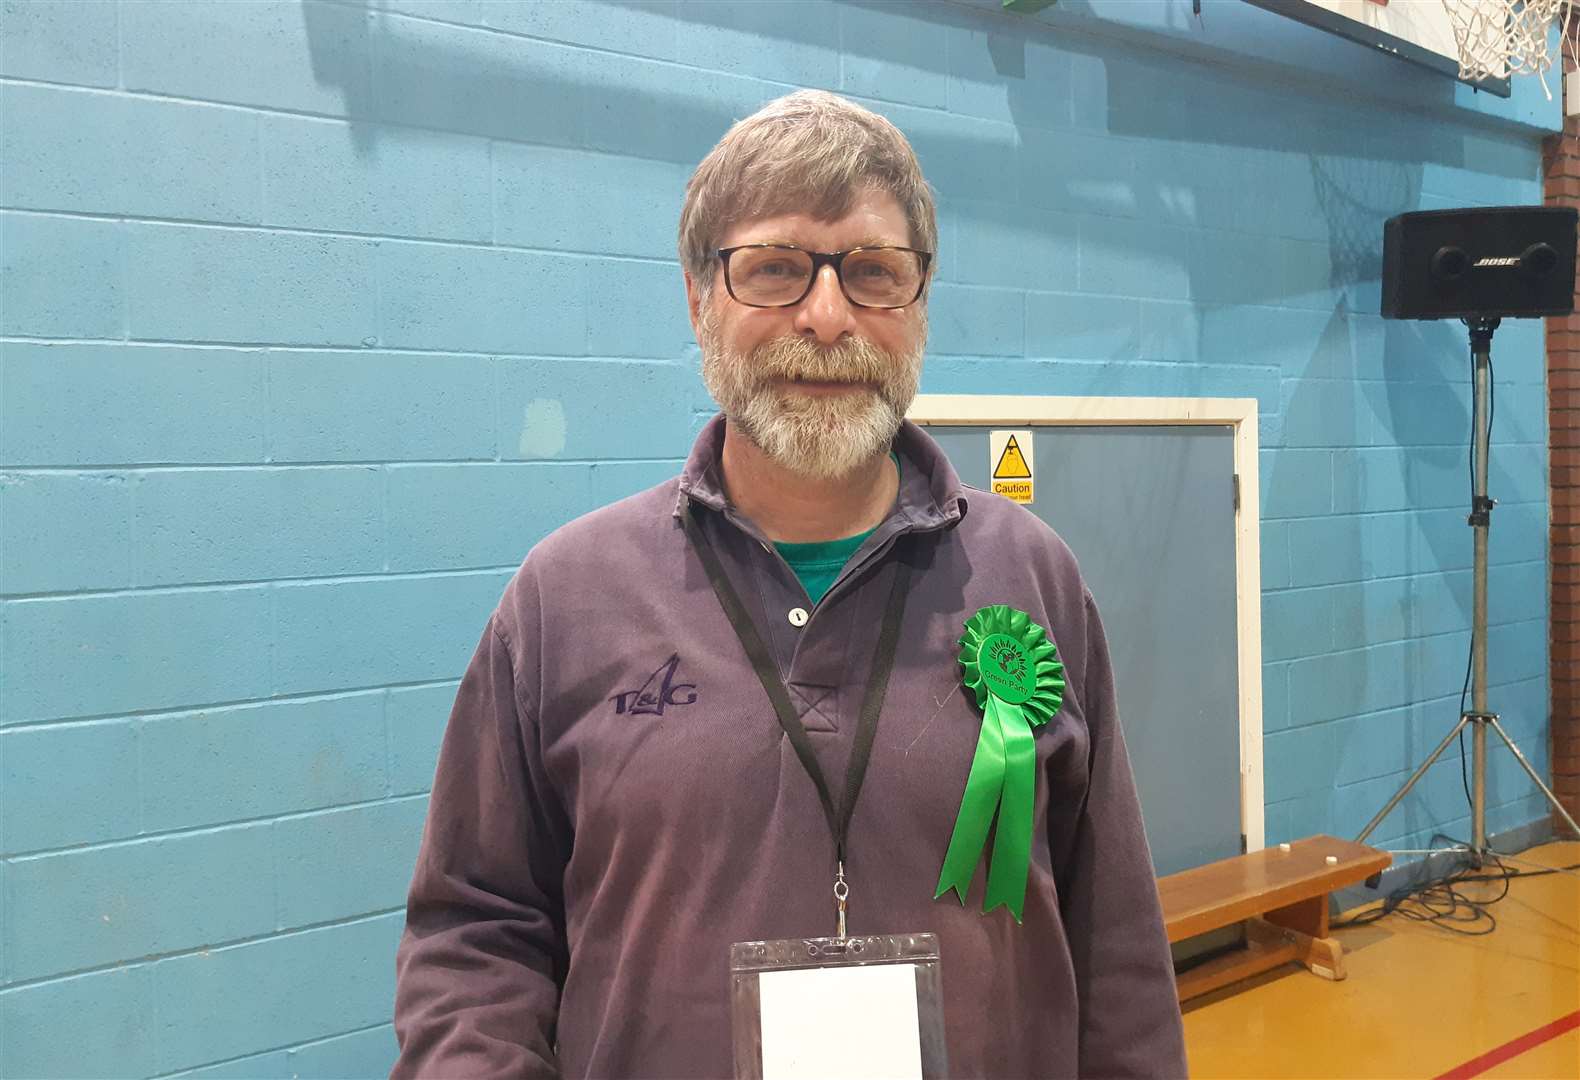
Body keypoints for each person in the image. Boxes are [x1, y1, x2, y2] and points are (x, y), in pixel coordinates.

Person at [391, 89, 1186, 1079]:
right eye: (771, 269)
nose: (824, 315)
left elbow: (1113, 942)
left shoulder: (1033, 577)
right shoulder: (561, 600)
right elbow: (476, 932)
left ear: (917, 300)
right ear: (696, 296)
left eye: (870, 272)